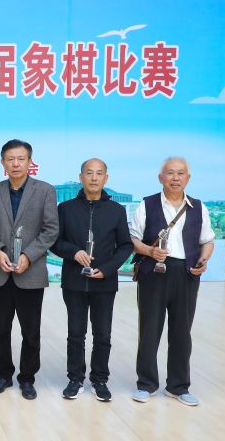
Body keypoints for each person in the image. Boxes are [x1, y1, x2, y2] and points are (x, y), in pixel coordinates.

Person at [130, 157, 214, 406]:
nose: (175, 178)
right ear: (161, 178)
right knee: (149, 330)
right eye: (170, 173)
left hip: (186, 274)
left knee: (181, 332)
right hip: (152, 274)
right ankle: (146, 385)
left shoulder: (198, 207)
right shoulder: (147, 204)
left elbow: (207, 240)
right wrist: (149, 251)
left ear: (188, 178)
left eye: (180, 173)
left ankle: (178, 387)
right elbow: (132, 239)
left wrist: (204, 259)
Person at [50, 159, 132, 402]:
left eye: (99, 173)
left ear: (106, 178)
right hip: (74, 281)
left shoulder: (117, 211)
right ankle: (75, 378)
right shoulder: (65, 208)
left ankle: (99, 379)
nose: (94, 178)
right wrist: (73, 252)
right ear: (81, 177)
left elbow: (125, 245)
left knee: (103, 334)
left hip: (104, 282)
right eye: (89, 173)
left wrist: (107, 269)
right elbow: (55, 242)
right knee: (76, 333)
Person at [0, 139, 58, 399]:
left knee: (31, 330)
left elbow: (51, 230)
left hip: (31, 272)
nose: (16, 163)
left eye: (21, 159)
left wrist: (28, 255)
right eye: (10, 159)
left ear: (29, 161)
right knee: (1, 328)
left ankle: (27, 378)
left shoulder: (45, 190)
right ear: (2, 162)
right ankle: (3, 375)